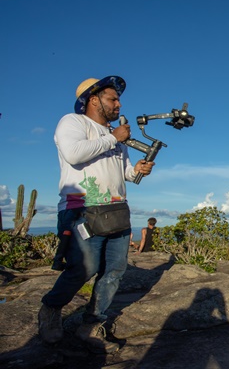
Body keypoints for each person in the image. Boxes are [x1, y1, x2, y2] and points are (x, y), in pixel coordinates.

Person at [38, 76, 154, 353]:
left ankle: (91, 323)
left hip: (116, 209)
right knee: (84, 267)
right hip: (82, 208)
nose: (118, 103)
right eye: (113, 99)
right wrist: (112, 137)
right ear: (93, 99)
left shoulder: (117, 136)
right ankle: (51, 309)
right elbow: (74, 154)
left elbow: (124, 173)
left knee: (114, 270)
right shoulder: (73, 122)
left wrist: (137, 169)